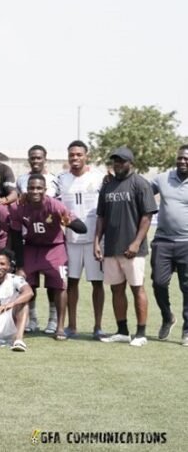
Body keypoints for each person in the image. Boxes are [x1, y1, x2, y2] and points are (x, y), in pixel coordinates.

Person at [9, 174, 87, 341]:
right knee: (22, 283)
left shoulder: (55, 205)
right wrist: (20, 265)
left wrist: (69, 222)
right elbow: (15, 236)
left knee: (60, 285)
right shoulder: (18, 207)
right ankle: (28, 321)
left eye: (38, 188)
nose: (35, 191)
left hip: (54, 248)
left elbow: (83, 228)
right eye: (31, 188)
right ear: (26, 190)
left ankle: (59, 326)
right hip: (31, 247)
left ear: (45, 190)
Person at [94, 147, 158, 347]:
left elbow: (147, 216)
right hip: (111, 247)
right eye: (115, 161)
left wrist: (137, 242)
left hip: (133, 249)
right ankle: (122, 331)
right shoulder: (107, 186)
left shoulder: (140, 184)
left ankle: (141, 333)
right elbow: (101, 217)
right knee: (116, 289)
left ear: (130, 162)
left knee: (137, 288)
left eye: (121, 161)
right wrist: (97, 241)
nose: (118, 164)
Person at [55, 140, 106, 339]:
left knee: (97, 283)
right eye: (71, 155)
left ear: (87, 156)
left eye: (78, 155)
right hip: (71, 240)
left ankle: (98, 327)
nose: (75, 158)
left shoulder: (99, 178)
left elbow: (104, 212)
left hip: (94, 239)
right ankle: (72, 326)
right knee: (71, 283)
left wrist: (99, 240)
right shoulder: (62, 179)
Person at [150, 145, 188, 346]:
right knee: (158, 283)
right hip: (162, 242)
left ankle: (187, 329)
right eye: (180, 158)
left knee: (187, 287)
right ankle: (167, 317)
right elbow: (141, 191)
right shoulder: (163, 179)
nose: (182, 161)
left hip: (186, 243)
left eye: (186, 159)